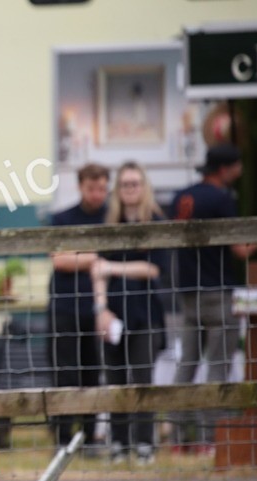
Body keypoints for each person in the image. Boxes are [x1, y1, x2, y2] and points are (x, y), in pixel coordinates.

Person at [170, 144, 257, 452]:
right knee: (218, 367)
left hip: (188, 294)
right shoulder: (222, 199)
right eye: (237, 165)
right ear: (225, 168)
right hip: (218, 293)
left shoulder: (182, 197)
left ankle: (178, 439)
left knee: (186, 367)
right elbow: (239, 249)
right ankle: (211, 440)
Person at [91, 163, 167, 465]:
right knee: (116, 377)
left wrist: (112, 267)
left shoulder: (157, 220)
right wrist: (100, 309)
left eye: (135, 183)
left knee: (143, 377)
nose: (130, 188)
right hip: (113, 313)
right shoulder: (107, 222)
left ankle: (145, 442)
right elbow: (97, 269)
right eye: (124, 184)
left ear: (144, 186)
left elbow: (153, 268)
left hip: (145, 312)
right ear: (118, 190)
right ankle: (119, 443)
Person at [48, 163, 109, 450]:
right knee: (65, 371)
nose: (97, 194)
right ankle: (62, 437)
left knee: (92, 371)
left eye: (101, 188)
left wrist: (79, 256)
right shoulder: (63, 218)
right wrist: (96, 257)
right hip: (64, 306)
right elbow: (59, 259)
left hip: (99, 307)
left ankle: (88, 435)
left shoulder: (112, 218)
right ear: (80, 186)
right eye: (91, 188)